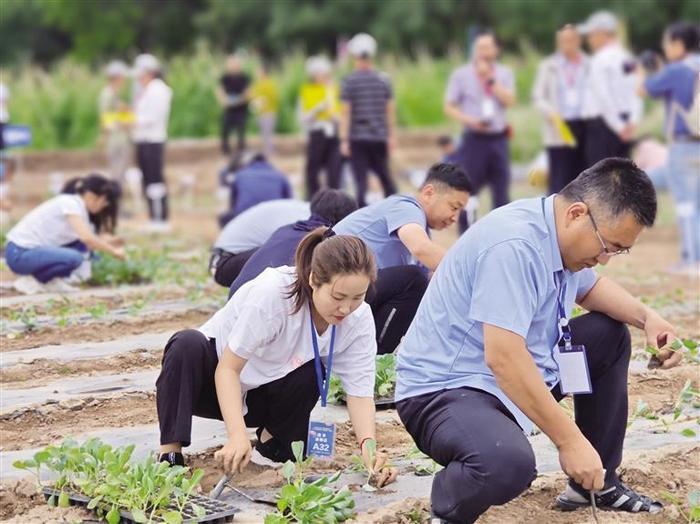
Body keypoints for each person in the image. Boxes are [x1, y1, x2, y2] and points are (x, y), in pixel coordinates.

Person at [396, 158, 680, 523]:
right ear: (577, 213)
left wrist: (646, 318)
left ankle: (596, 486)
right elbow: (502, 358)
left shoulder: (560, 239)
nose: (606, 260)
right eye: (609, 246)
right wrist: (570, 441)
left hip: (515, 374)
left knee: (608, 335)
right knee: (505, 463)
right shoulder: (514, 244)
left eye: (619, 251)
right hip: (448, 389)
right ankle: (448, 510)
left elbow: (591, 289)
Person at [156, 228, 398, 490]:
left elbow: (360, 393)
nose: (345, 309)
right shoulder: (274, 294)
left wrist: (369, 450)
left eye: (357, 298)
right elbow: (227, 369)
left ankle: (271, 440)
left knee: (312, 372)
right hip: (214, 386)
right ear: (314, 279)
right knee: (186, 344)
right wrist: (237, 436)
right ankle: (170, 454)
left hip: (265, 395)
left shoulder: (359, 319)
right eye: (338, 297)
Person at [334, 162, 472, 354]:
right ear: (429, 193)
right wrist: (472, 270)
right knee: (414, 281)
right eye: (453, 207)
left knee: (424, 289)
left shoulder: (419, 226)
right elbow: (421, 248)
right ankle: (376, 358)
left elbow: (435, 278)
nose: (455, 218)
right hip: (336, 281)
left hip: (355, 288)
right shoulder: (406, 207)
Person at [639, 21, 700, 274]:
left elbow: (644, 89)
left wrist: (646, 68)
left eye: (667, 43)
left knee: (686, 205)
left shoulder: (677, 70)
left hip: (685, 146)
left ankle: (691, 260)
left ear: (677, 44)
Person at [5, 174, 125, 294]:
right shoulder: (70, 203)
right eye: (103, 201)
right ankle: (34, 280)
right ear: (91, 196)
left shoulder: (79, 209)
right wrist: (114, 251)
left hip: (27, 253)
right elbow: (87, 238)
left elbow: (89, 240)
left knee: (80, 249)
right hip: (19, 253)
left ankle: (48, 281)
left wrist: (112, 241)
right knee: (75, 258)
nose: (104, 206)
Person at [229, 189, 357, 297]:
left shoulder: (286, 228)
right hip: (263, 305)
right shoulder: (326, 243)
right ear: (348, 217)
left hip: (235, 297)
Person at [444, 30, 516, 210]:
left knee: (502, 190)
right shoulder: (461, 74)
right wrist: (470, 120)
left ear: (496, 50)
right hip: (474, 139)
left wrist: (490, 80)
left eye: (486, 47)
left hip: (498, 139)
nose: (482, 52)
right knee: (467, 188)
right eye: (479, 47)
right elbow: (449, 106)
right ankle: (466, 231)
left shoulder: (504, 73)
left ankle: (502, 233)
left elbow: (509, 101)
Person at [340, 33, 397, 207]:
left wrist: (344, 140)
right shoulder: (383, 80)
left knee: (361, 184)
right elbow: (390, 111)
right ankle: (394, 208)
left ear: (354, 55)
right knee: (386, 178)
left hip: (358, 138)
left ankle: (361, 217)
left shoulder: (349, 82)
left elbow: (345, 113)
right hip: (379, 137)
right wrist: (391, 136)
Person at [533, 25, 591, 194]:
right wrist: (549, 112)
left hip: (584, 125)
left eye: (570, 40)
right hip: (558, 126)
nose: (566, 44)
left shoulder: (589, 64)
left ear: (578, 41)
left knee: (583, 178)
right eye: (562, 41)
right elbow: (538, 96)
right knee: (558, 180)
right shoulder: (549, 65)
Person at [579, 11, 642, 164]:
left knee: (600, 179)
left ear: (603, 34)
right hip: (626, 121)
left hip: (603, 125)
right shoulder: (627, 57)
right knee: (621, 175)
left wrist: (619, 127)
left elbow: (603, 97)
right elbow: (636, 90)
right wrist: (633, 121)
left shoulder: (600, 60)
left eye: (591, 34)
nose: (589, 39)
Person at [210, 199, 311, 288]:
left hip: (231, 257)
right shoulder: (304, 221)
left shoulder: (303, 210)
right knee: (295, 255)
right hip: (224, 263)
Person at [132, 53, 173, 232]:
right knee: (147, 178)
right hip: (143, 139)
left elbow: (154, 117)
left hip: (152, 140)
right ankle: (153, 216)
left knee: (155, 178)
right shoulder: (147, 90)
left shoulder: (158, 89)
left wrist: (132, 120)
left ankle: (160, 217)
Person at [299, 56, 343, 199]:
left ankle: (334, 199)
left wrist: (329, 98)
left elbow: (340, 115)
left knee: (334, 169)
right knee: (312, 168)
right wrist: (317, 109)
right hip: (317, 133)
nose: (324, 77)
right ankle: (312, 198)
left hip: (333, 133)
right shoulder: (307, 91)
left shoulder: (333, 90)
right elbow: (303, 118)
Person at [218, 152, 293, 228]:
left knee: (224, 218)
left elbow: (233, 204)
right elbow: (289, 202)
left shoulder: (240, 175)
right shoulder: (280, 175)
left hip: (244, 219)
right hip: (275, 220)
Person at [99, 61, 132, 184]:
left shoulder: (113, 93)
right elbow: (106, 119)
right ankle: (115, 201)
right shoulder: (107, 94)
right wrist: (123, 119)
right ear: (117, 77)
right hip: (116, 139)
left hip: (120, 138)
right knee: (117, 174)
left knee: (120, 173)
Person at [217, 54, 251, 156]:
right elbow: (220, 92)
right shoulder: (225, 77)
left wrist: (238, 100)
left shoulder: (244, 77)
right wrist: (225, 101)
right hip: (228, 110)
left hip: (241, 110)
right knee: (225, 130)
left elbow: (247, 93)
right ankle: (225, 151)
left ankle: (241, 151)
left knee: (241, 132)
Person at [249, 62, 279, 158]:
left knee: (268, 134)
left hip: (269, 113)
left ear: (264, 72)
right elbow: (253, 96)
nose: (257, 73)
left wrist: (262, 101)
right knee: (263, 134)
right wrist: (254, 102)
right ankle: (267, 152)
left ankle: (270, 153)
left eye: (258, 71)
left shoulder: (270, 84)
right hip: (260, 113)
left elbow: (273, 98)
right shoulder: (257, 84)